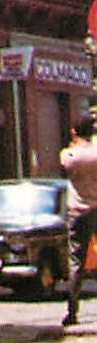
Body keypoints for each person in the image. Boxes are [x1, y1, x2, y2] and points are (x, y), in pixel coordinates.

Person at [59, 114, 97, 325]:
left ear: (74, 132)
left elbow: (64, 170)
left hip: (78, 212)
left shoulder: (69, 155)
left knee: (76, 261)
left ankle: (72, 311)